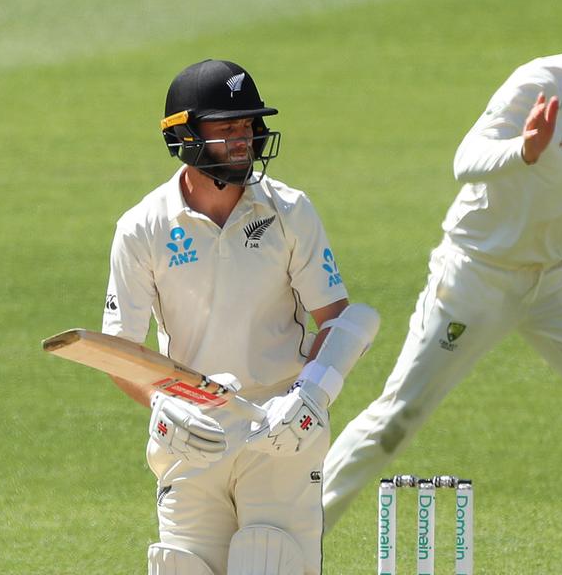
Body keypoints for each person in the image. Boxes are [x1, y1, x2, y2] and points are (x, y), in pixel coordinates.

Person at [322, 0, 562, 575]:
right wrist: (523, 151)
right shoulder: (542, 81)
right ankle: (294, 541)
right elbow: (465, 158)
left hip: (560, 278)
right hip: (478, 271)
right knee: (398, 418)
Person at [102, 58, 381, 575]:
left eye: (248, 127)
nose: (244, 140)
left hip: (281, 433)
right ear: (185, 136)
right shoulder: (142, 228)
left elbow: (338, 320)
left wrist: (312, 397)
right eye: (227, 128)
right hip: (191, 436)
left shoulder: (290, 210)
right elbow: (122, 354)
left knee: (272, 564)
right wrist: (163, 407)